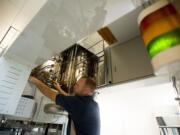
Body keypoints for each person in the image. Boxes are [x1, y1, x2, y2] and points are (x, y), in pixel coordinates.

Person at [29, 76, 100, 135]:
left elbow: (50, 94)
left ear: (86, 90)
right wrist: (59, 89)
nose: (74, 86)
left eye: (77, 85)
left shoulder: (81, 104)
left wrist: (35, 81)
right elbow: (70, 99)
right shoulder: (92, 104)